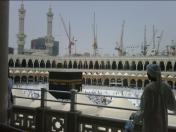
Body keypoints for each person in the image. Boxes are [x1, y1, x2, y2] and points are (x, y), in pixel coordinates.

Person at [132, 64, 176, 132]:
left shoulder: (149, 89)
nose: (147, 74)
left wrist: (135, 117)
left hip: (150, 124)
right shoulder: (166, 87)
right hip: (162, 122)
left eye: (148, 73)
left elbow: (144, 110)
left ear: (150, 75)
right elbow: (173, 106)